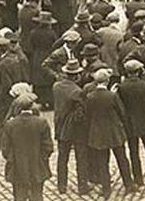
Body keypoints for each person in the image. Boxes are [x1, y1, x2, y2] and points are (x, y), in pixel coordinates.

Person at [85, 67, 134, 197]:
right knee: (122, 158)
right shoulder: (112, 96)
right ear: (107, 81)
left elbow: (88, 115)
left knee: (102, 162)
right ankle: (128, 184)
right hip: (114, 132)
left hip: (98, 133)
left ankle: (106, 188)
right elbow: (122, 112)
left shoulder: (90, 97)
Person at [1, 93, 54, 201]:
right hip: (38, 166)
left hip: (17, 167)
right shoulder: (41, 122)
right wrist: (42, 158)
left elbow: (5, 149)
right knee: (37, 196)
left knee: (19, 196)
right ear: (31, 106)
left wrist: (13, 159)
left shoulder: (10, 124)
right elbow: (48, 147)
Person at [118, 59, 145, 185]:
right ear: (138, 71)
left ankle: (138, 178)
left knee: (133, 151)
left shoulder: (122, 87)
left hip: (130, 123)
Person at [52, 58, 89, 195]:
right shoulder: (77, 91)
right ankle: (82, 186)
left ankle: (62, 186)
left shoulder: (56, 87)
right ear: (76, 75)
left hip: (60, 126)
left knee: (62, 157)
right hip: (75, 129)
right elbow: (81, 113)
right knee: (81, 157)